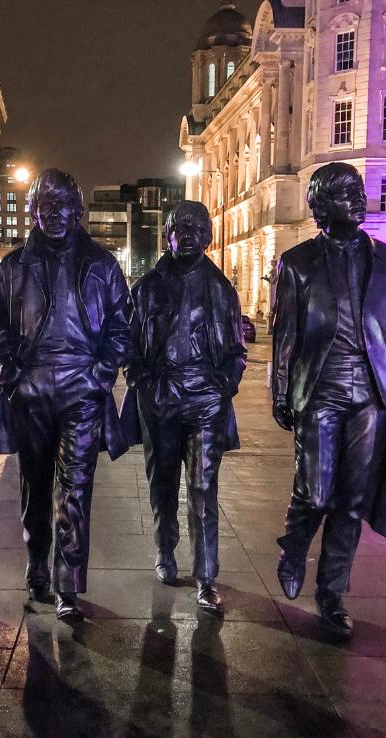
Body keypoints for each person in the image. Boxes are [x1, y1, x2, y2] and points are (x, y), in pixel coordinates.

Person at [273, 162, 386, 639]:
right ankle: (295, 545)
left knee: (353, 500)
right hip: (320, 389)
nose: (357, 199)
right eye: (343, 193)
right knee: (315, 491)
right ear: (320, 206)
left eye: (357, 190)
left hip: (373, 397)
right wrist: (281, 392)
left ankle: (332, 592)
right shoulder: (297, 263)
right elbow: (285, 338)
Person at [0, 168, 131, 620]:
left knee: (74, 490)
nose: (56, 215)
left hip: (80, 391)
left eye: (65, 206)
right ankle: (36, 565)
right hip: (31, 391)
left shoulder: (102, 265)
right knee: (33, 486)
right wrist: (11, 374)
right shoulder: (11, 267)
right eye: (46, 207)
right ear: (34, 212)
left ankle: (69, 583)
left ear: (78, 210)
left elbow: (122, 329)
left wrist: (99, 375)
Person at [121, 200, 246, 614]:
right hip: (160, 400)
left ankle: (206, 576)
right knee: (162, 484)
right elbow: (128, 345)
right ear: (168, 235)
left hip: (204, 403)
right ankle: (165, 549)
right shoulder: (146, 289)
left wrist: (223, 385)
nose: (188, 234)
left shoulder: (222, 290)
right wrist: (141, 379)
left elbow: (235, 350)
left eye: (196, 227)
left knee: (203, 488)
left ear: (208, 236)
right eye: (180, 227)